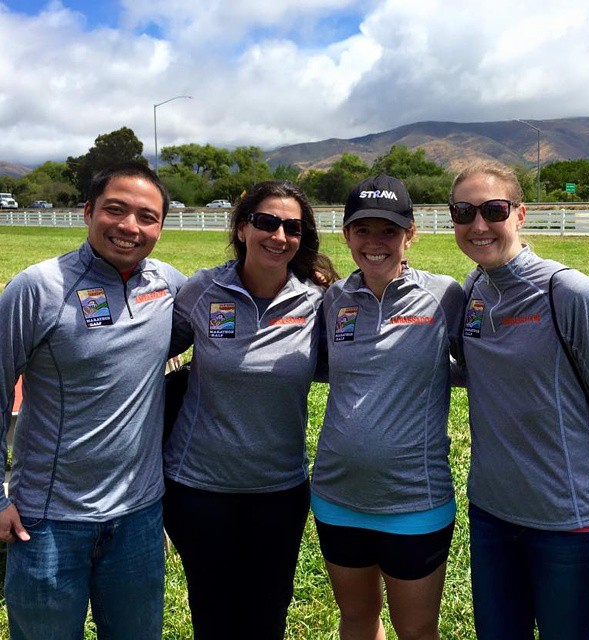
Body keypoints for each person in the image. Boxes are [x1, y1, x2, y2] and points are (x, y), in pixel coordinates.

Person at [449, 159, 589, 640]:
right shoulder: (473, 291)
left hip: (569, 522)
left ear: (520, 214)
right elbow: (464, 371)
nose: (478, 225)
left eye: (493, 209)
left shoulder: (569, 293)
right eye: (462, 211)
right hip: (491, 514)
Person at [0, 162, 186, 639]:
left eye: (147, 216)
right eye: (115, 210)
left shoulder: (168, 285)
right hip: (47, 521)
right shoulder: (38, 288)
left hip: (139, 520)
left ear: (161, 226)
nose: (130, 227)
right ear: (88, 212)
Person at [163, 180, 338, 639]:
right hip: (198, 486)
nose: (279, 236)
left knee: (268, 610)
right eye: (266, 222)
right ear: (242, 227)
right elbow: (150, 351)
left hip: (279, 487)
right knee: (213, 608)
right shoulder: (204, 288)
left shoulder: (317, 301)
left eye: (292, 228)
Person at [311, 174, 465, 640]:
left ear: (410, 234)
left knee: (417, 630)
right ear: (346, 235)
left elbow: (482, 363)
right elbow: (317, 364)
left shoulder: (444, 296)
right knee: (357, 619)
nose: (375, 243)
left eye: (389, 231)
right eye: (363, 230)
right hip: (337, 498)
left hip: (415, 500)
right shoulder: (333, 300)